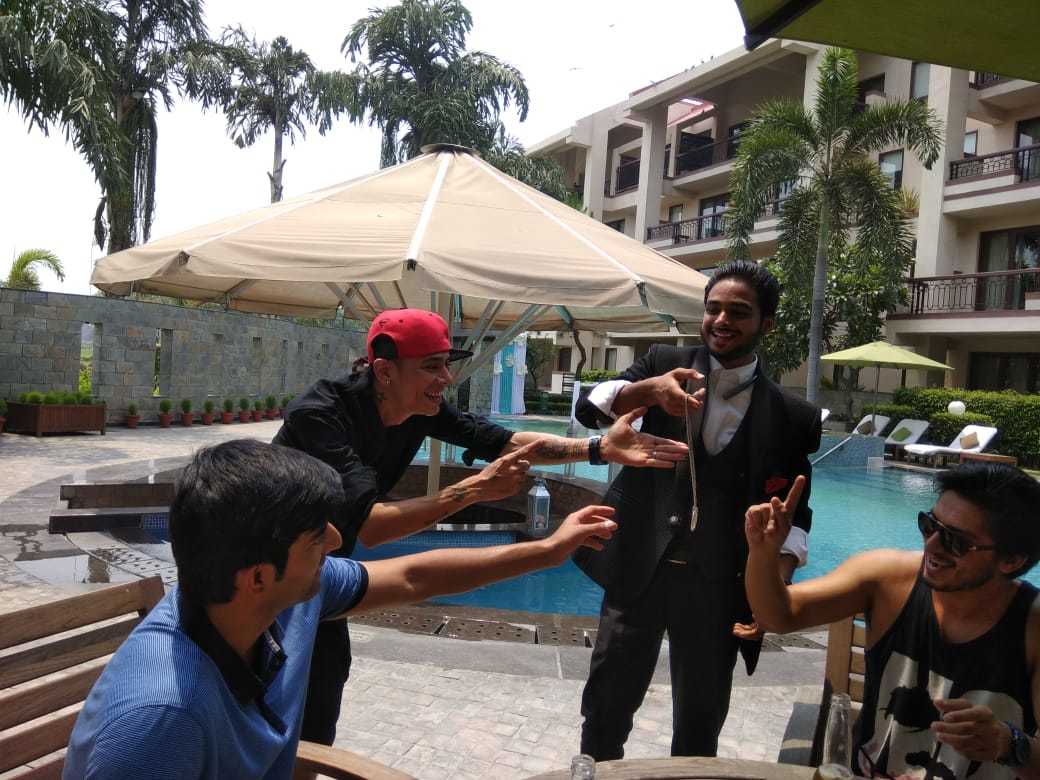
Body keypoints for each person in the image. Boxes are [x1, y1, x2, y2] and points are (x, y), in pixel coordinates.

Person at [63, 439, 618, 780]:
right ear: (257, 576)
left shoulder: (275, 604)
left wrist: (549, 551)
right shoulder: (161, 723)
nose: (335, 540)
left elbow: (411, 576)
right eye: (316, 538)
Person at [272, 308, 688, 745]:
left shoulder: (420, 408)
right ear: (385, 371)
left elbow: (506, 442)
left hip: (320, 576)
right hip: (262, 576)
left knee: (317, 712)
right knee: (266, 714)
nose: (447, 377)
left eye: (446, 364)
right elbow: (372, 528)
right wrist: (472, 490)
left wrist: (598, 448)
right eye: (432, 366)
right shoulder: (321, 416)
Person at [573, 259, 822, 759]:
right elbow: (588, 409)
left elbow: (795, 513)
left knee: (699, 726)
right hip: (638, 569)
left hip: (718, 588)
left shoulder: (794, 417)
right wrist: (646, 391)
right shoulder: (664, 360)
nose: (721, 320)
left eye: (739, 312)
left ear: (767, 324)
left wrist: (774, 587)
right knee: (604, 710)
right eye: (713, 309)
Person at [745, 463, 1040, 779]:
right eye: (929, 525)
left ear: (1012, 560)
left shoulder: (1032, 628)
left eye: (956, 541)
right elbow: (779, 616)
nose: (932, 545)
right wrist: (764, 552)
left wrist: (1009, 745)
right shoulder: (886, 580)